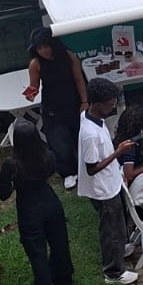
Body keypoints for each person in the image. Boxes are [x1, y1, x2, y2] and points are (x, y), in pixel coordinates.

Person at [0, 117, 74, 285]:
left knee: (37, 253)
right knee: (59, 243)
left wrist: (14, 183)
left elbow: (3, 195)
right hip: (51, 203)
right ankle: (64, 279)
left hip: (29, 209)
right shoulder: (49, 155)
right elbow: (50, 172)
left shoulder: (11, 164)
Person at [78, 77, 138, 285]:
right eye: (110, 103)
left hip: (111, 182)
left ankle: (119, 249)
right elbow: (92, 168)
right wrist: (118, 153)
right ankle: (113, 272)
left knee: (119, 224)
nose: (113, 106)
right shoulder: (89, 134)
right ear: (97, 103)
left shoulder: (91, 117)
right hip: (102, 189)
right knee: (111, 230)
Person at [19, 29, 87, 189]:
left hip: (73, 102)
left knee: (80, 136)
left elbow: (78, 79)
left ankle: (85, 167)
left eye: (46, 46)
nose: (43, 51)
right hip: (52, 107)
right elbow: (34, 85)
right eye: (39, 48)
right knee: (59, 141)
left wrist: (84, 101)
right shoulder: (35, 64)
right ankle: (68, 172)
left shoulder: (68, 56)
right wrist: (30, 94)